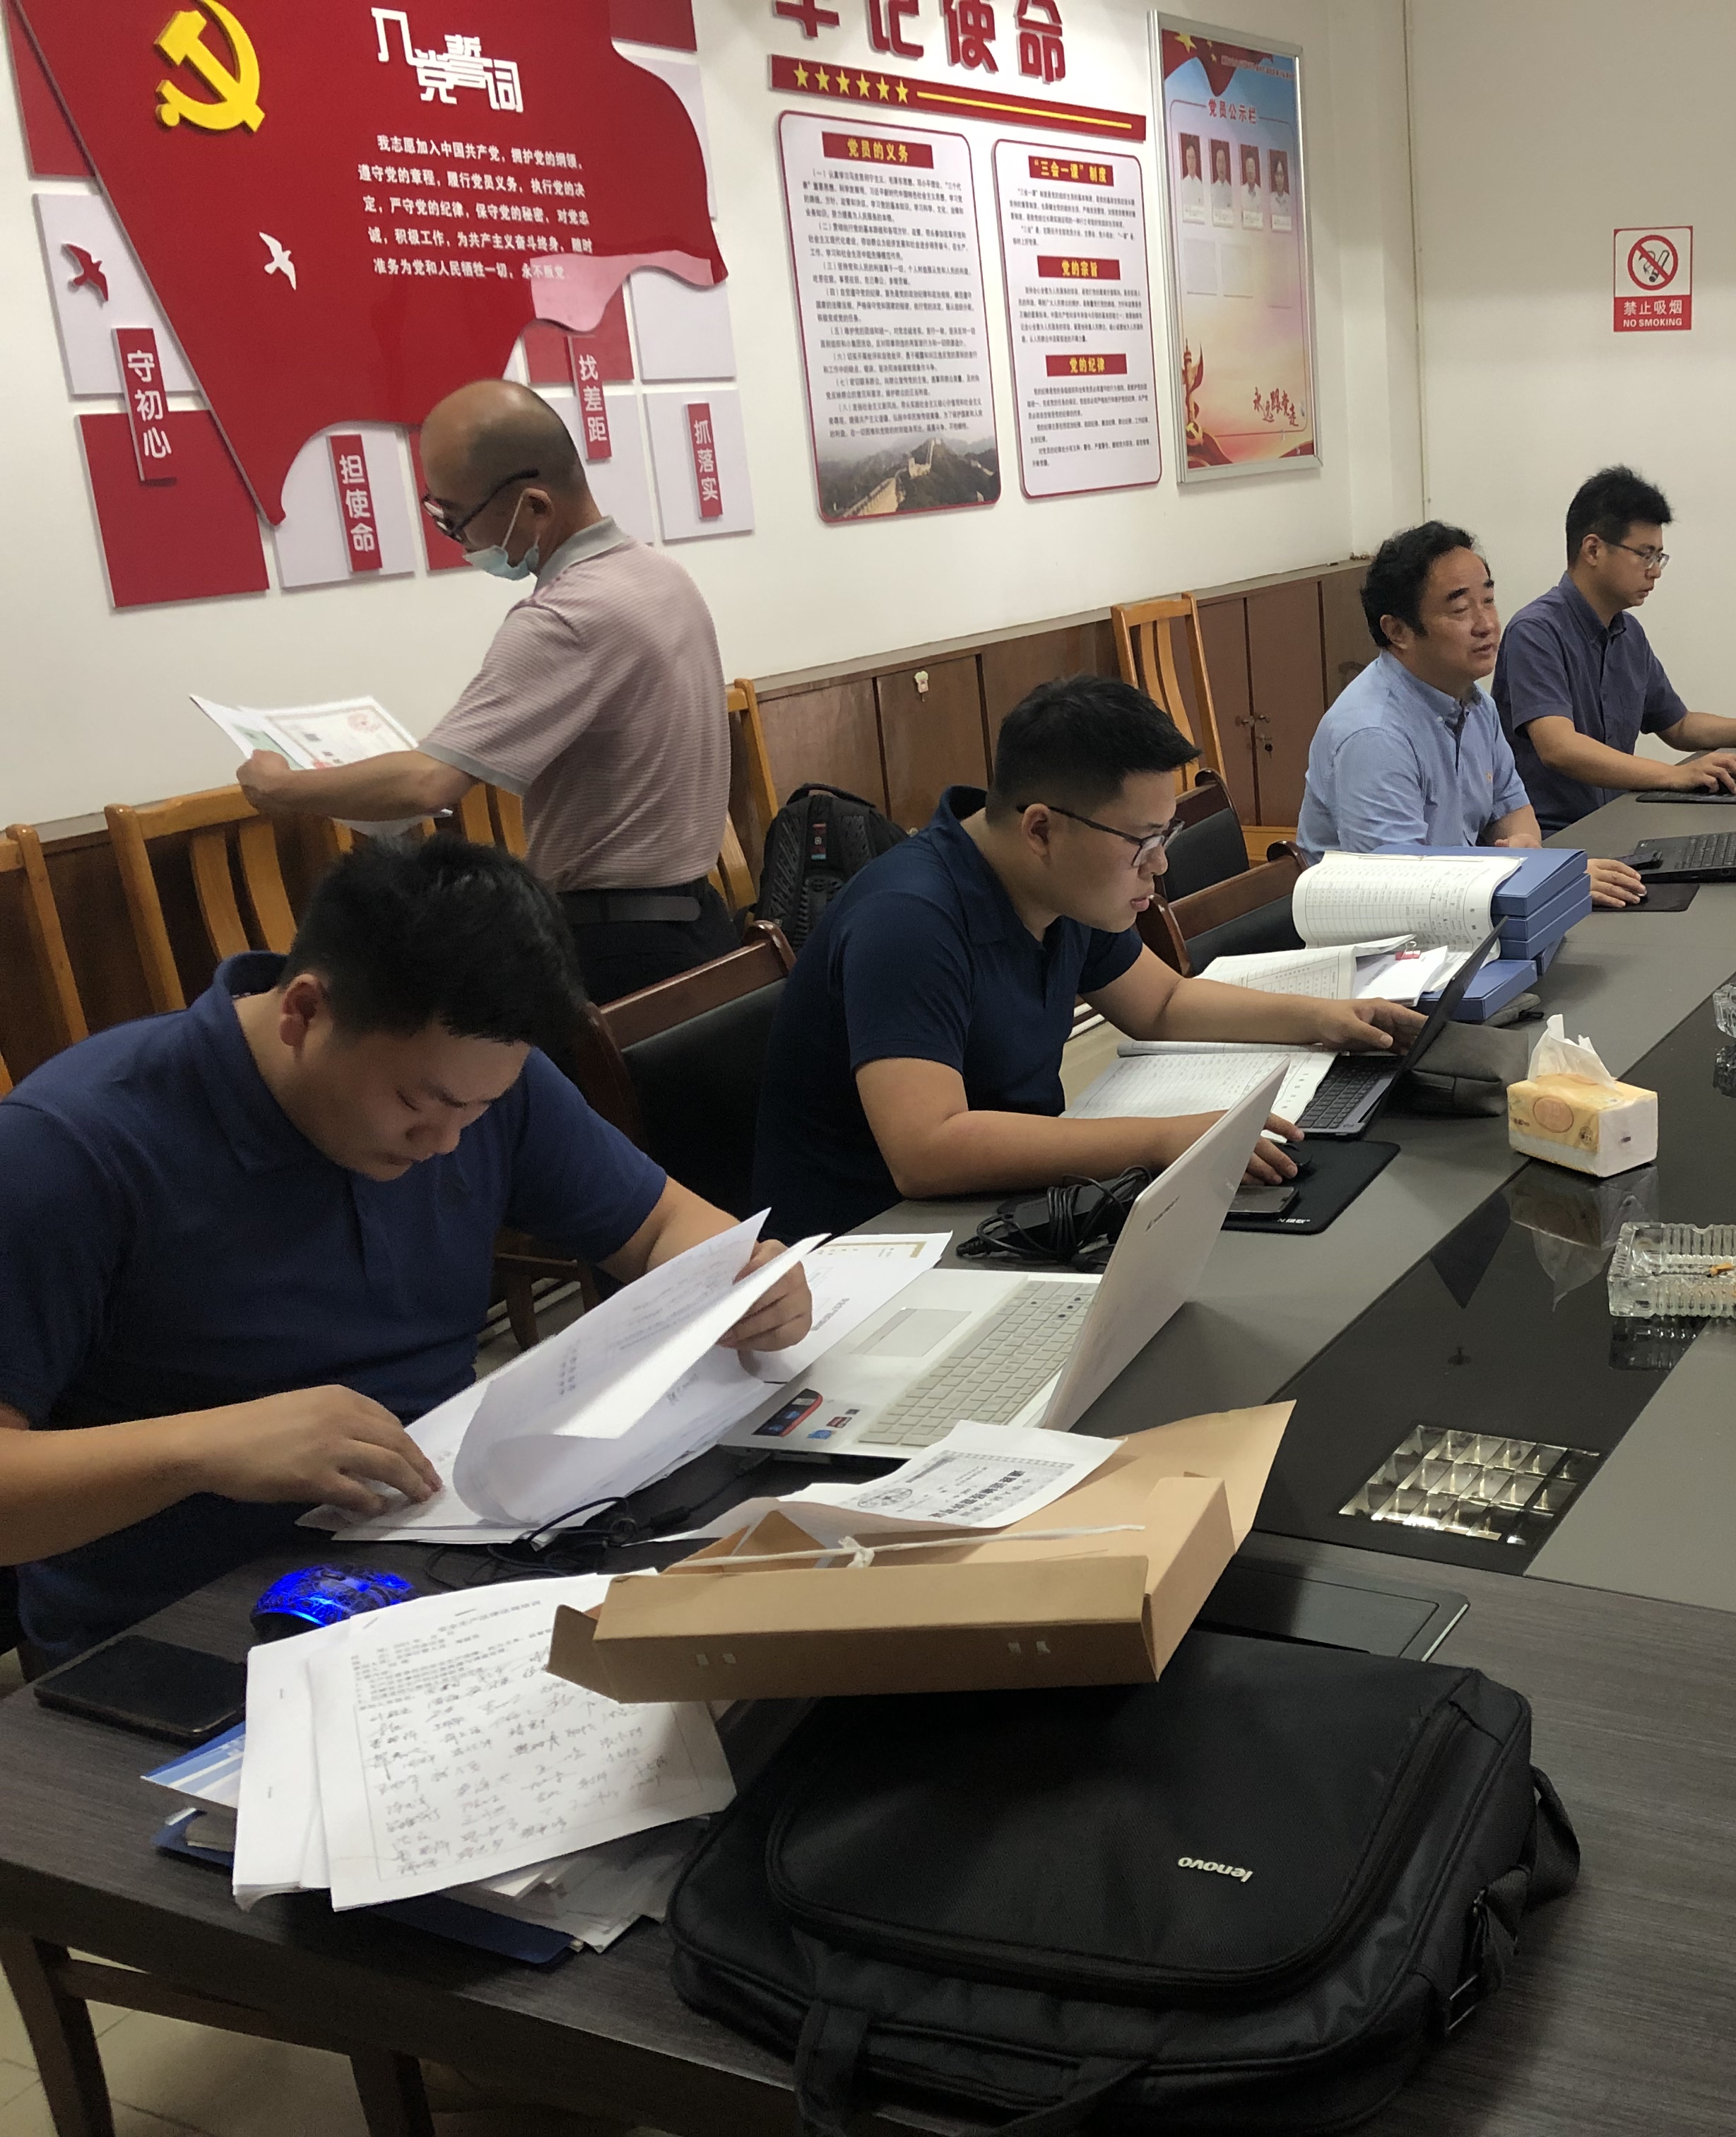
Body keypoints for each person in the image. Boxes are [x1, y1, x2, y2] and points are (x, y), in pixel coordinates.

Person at [0, 837, 809, 1668]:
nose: (446, 1141)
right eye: (418, 1104)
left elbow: (663, 1224)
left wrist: (737, 1280)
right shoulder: (68, 1149)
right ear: (304, 1014)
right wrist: (206, 1449)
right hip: (177, 1626)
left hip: (433, 1552)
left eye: (477, 1109)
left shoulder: (478, 1079)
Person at [754, 675, 1432, 1244]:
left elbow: (1162, 1003)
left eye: (1166, 836)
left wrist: (1326, 1019)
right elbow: (927, 1151)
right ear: (1041, 829)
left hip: (1000, 1206)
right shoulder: (907, 920)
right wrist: (1162, 1140)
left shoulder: (1061, 886)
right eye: (1142, 842)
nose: (1159, 866)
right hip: (873, 1248)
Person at [239, 379, 735, 1002]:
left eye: (458, 520)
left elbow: (429, 785)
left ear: (535, 506)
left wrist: (281, 788)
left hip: (621, 953)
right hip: (699, 924)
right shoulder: (659, 575)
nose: (460, 542)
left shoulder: (566, 618)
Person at [1297, 522, 1646, 909]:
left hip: (1459, 908)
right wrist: (1544, 878)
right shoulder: (1374, 734)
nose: (1486, 625)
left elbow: (1514, 810)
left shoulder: (1475, 702)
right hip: (1387, 930)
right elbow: (1400, 888)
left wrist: (1526, 851)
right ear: (1398, 631)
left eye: (1489, 601)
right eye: (1461, 609)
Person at [1494, 466, 1736, 835]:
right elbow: (1559, 748)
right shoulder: (1536, 632)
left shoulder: (1628, 632)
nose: (1655, 571)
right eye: (1645, 555)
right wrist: (1677, 775)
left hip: (1616, 821)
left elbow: (1678, 726)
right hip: (1554, 836)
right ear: (1593, 549)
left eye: (1659, 557)